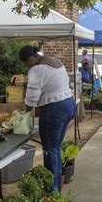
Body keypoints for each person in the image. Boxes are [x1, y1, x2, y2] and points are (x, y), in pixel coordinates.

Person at [19, 45, 76, 190]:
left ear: (31, 58)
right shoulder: (54, 60)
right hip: (68, 104)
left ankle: (52, 189)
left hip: (54, 109)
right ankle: (57, 183)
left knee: (49, 150)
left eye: (25, 63)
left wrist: (25, 114)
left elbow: (32, 95)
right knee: (55, 148)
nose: (26, 67)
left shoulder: (36, 69)